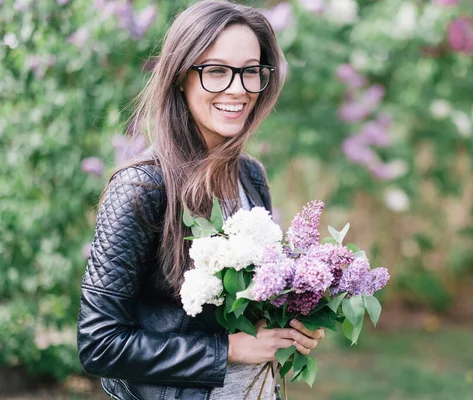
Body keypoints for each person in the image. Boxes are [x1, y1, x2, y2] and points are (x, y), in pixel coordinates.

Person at [76, 1, 325, 399]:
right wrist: (224, 351)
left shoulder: (250, 176)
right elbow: (99, 344)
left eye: (250, 71)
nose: (238, 88)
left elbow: (245, 308)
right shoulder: (143, 188)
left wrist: (292, 323)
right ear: (180, 78)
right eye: (216, 71)